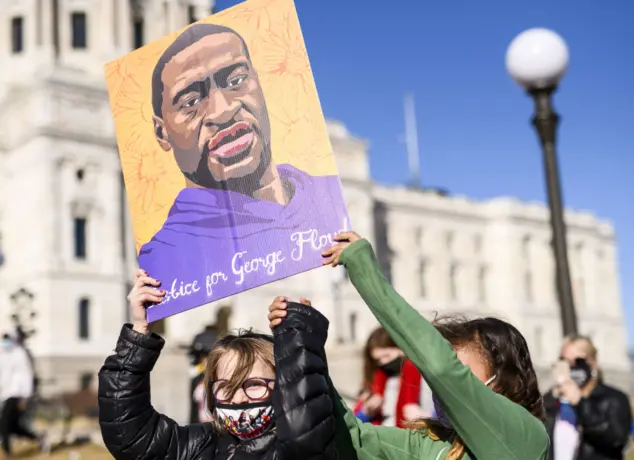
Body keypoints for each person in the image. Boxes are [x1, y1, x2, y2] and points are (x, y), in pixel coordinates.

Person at [269, 231, 550, 460]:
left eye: (463, 374)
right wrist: (302, 343)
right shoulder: (434, 444)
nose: (443, 392)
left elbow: (441, 369)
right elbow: (354, 438)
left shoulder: (526, 438)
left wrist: (365, 272)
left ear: (502, 382)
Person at [139, 22, 348, 320]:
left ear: (262, 88)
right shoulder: (163, 257)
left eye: (236, 80)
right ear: (162, 133)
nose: (223, 110)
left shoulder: (325, 200)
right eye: (191, 101)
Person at [98, 269, 337, 460]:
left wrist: (298, 340)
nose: (239, 399)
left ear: (284, 385)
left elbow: (303, 432)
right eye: (226, 387)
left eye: (254, 385)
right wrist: (139, 332)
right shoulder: (201, 444)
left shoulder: (296, 445)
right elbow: (130, 436)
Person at [543, 335, 632, 460]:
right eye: (565, 361)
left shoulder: (613, 398)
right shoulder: (554, 401)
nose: (571, 367)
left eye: (578, 361)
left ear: (593, 363)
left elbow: (616, 440)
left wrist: (580, 403)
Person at [354, 327, 431, 427]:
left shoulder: (425, 377)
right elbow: (354, 422)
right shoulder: (376, 380)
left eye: (387, 356)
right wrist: (366, 411)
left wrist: (425, 417)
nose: (383, 362)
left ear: (401, 348)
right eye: (378, 360)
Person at [0, 333, 47, 459]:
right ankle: (38, 437)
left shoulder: (19, 353)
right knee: (13, 426)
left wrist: (24, 397)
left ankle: (7, 453)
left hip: (17, 394)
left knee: (3, 422)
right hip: (5, 394)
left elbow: (26, 375)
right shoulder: (4, 353)